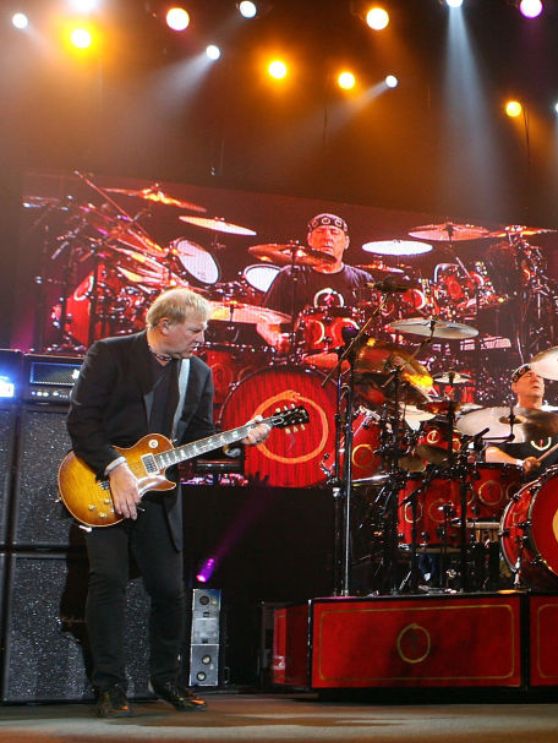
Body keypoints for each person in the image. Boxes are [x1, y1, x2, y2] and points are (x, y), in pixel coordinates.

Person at [66, 288, 271, 717]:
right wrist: (115, 468)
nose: (202, 338)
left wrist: (236, 441)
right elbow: (81, 419)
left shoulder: (196, 372)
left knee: (169, 591)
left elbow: (197, 437)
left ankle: (166, 680)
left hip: (159, 493)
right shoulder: (110, 353)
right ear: (166, 326)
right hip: (103, 484)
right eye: (196, 330)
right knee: (107, 583)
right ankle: (109, 687)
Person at [258, 213, 374, 350]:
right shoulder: (290, 274)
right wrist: (276, 339)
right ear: (309, 239)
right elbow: (265, 321)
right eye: (320, 232)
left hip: (347, 360)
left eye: (334, 232)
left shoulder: (363, 280)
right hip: (299, 358)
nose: (327, 237)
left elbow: (375, 326)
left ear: (347, 242)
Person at [483, 364, 558, 480]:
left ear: (543, 387)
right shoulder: (505, 420)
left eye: (539, 376)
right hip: (517, 490)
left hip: (553, 490)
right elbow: (490, 453)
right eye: (528, 376)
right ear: (514, 387)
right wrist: (519, 464)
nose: (535, 379)